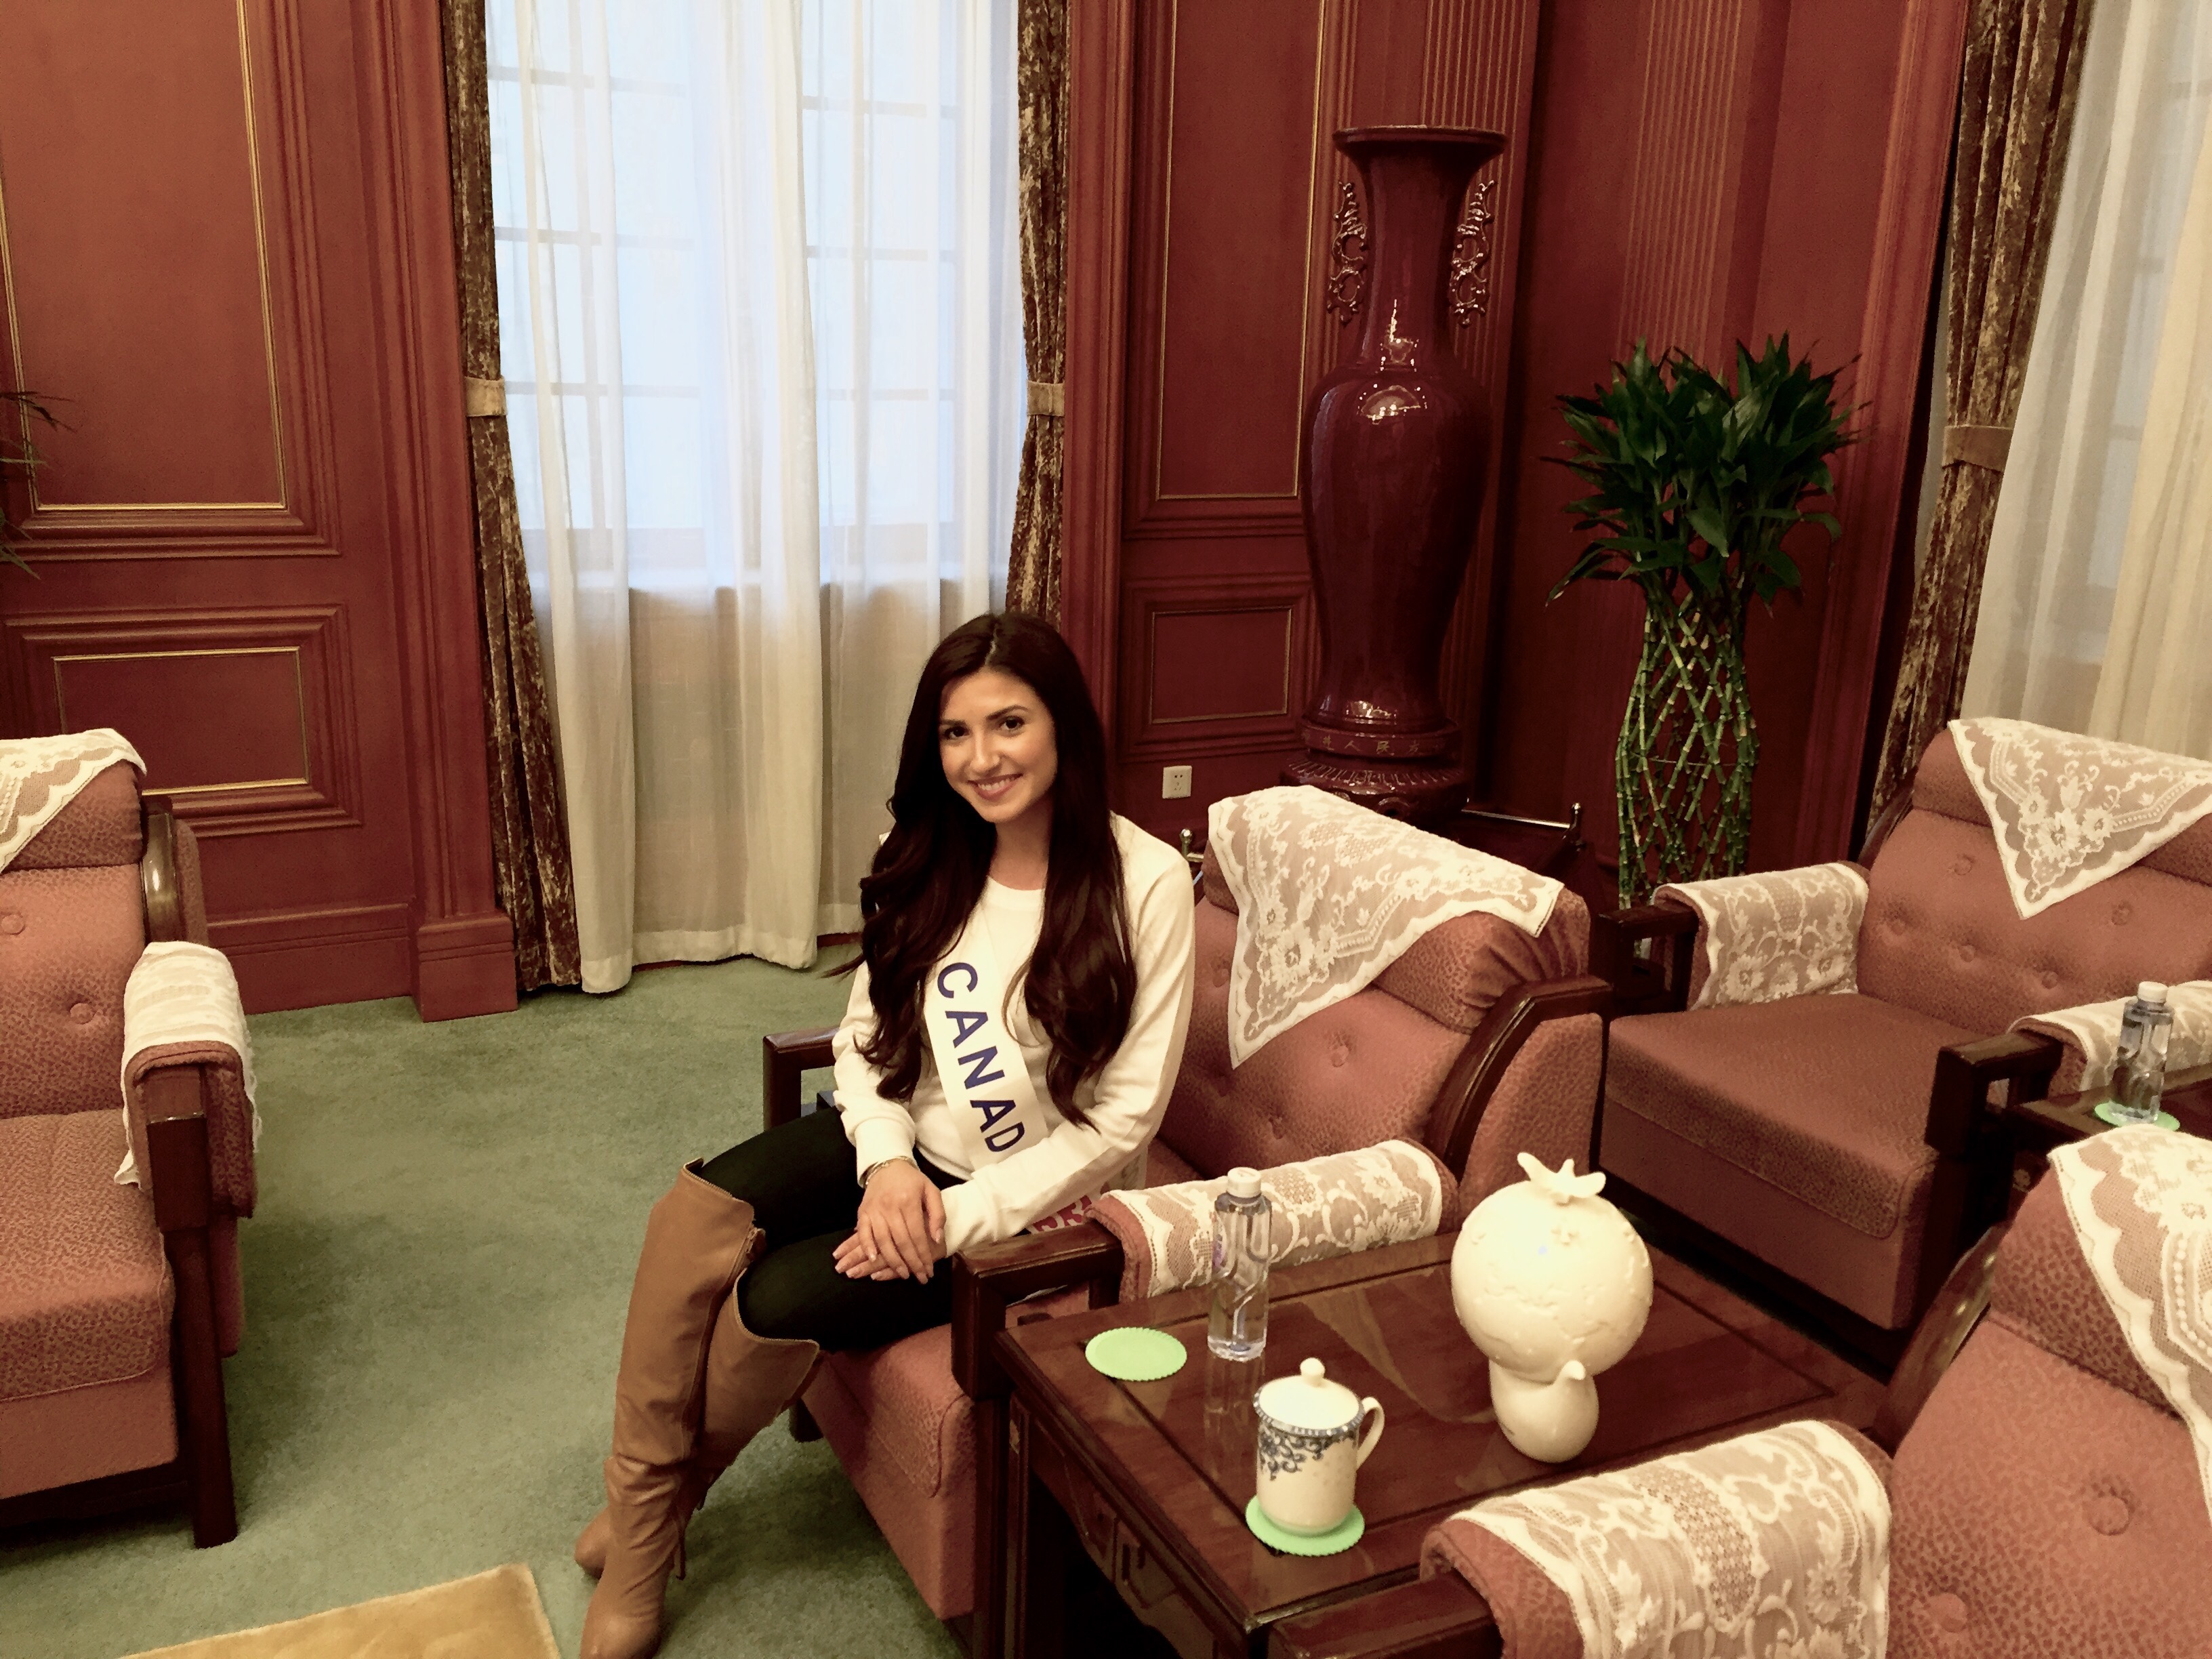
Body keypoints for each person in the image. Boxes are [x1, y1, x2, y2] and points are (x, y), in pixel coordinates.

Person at [576, 611, 1198, 1659]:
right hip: (904, 1145)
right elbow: (865, 1036)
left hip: (1029, 1208)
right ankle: (644, 1521)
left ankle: (659, 1519)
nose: (982, 757)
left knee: (775, 1299)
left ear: (1064, 724)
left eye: (1009, 723)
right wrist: (888, 1164)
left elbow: (1124, 1119)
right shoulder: (928, 851)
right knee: (690, 1217)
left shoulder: (1145, 882)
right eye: (956, 733)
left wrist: (951, 1215)